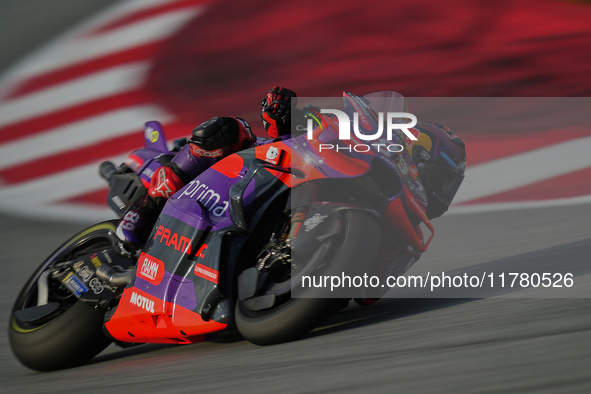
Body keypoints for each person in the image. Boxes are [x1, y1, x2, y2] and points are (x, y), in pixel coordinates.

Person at [116, 86, 299, 251]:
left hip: (239, 219)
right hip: (215, 182)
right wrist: (279, 109)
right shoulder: (272, 145)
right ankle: (141, 213)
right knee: (230, 129)